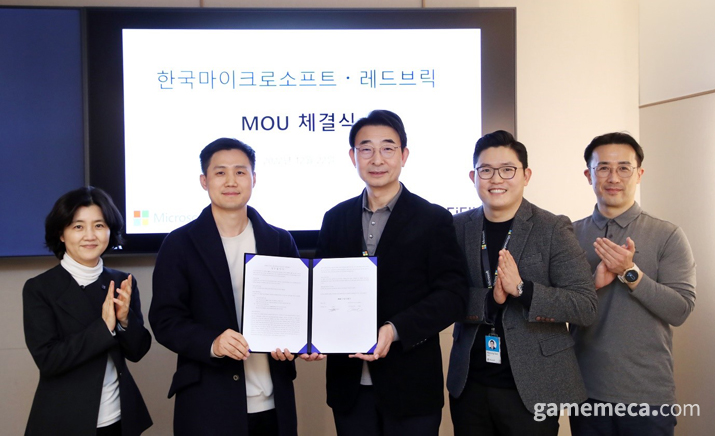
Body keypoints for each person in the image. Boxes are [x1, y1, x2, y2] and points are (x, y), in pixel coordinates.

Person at [313, 109, 468, 436]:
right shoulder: (334, 218)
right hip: (349, 388)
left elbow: (452, 295)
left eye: (387, 148)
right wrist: (309, 336)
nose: (377, 159)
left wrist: (394, 329)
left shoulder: (432, 219)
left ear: (404, 155)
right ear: (353, 156)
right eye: (366, 149)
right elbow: (320, 291)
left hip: (410, 388)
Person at [446, 130, 598, 436]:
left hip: (535, 387)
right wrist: (489, 300)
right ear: (473, 177)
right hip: (470, 384)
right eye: (486, 171)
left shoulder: (552, 228)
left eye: (507, 170)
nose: (496, 179)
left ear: (526, 175)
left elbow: (585, 306)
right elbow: (446, 297)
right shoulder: (457, 228)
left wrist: (523, 290)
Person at [149, 138, 300, 436]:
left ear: (254, 178)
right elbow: (165, 319)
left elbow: (297, 310)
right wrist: (213, 343)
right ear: (204, 181)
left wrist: (297, 343)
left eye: (240, 172)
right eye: (220, 172)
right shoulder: (179, 244)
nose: (231, 181)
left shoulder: (280, 241)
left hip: (274, 402)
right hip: (208, 404)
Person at [569, 132, 696, 435]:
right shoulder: (569, 235)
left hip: (648, 395)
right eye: (603, 168)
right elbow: (556, 310)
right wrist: (592, 284)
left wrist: (630, 273)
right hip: (585, 391)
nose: (614, 177)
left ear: (639, 174)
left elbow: (680, 310)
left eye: (624, 168)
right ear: (588, 175)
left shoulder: (667, 235)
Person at [23, 187, 152, 436]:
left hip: (119, 419)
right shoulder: (40, 288)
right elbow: (49, 361)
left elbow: (137, 352)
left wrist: (125, 321)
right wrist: (104, 328)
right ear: (61, 234)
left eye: (99, 225)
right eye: (78, 226)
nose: (90, 236)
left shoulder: (122, 281)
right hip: (64, 422)